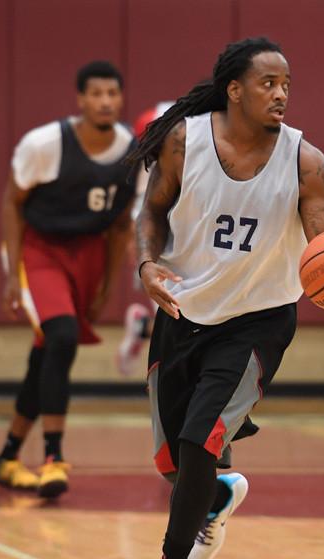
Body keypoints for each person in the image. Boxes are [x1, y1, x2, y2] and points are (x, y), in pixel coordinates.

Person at [130, 37, 324, 559]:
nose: (281, 94)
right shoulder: (183, 142)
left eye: (287, 85)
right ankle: (215, 495)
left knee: (201, 440)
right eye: (268, 83)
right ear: (234, 89)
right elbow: (152, 212)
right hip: (184, 311)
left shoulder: (305, 161)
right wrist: (147, 264)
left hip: (258, 320)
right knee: (174, 464)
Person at [0, 61, 138, 498]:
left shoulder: (131, 152)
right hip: (39, 251)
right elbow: (12, 202)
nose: (105, 101)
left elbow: (120, 228)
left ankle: (8, 456)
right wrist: (12, 276)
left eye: (112, 93)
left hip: (89, 254)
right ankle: (54, 456)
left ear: (121, 98)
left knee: (49, 352)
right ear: (80, 100)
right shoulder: (45, 143)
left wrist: (107, 284)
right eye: (96, 94)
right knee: (61, 336)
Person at [117, 101, 175, 377]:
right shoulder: (156, 136)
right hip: (161, 242)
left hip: (191, 239)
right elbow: (143, 200)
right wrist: (136, 240)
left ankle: (143, 328)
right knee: (175, 321)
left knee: (185, 322)